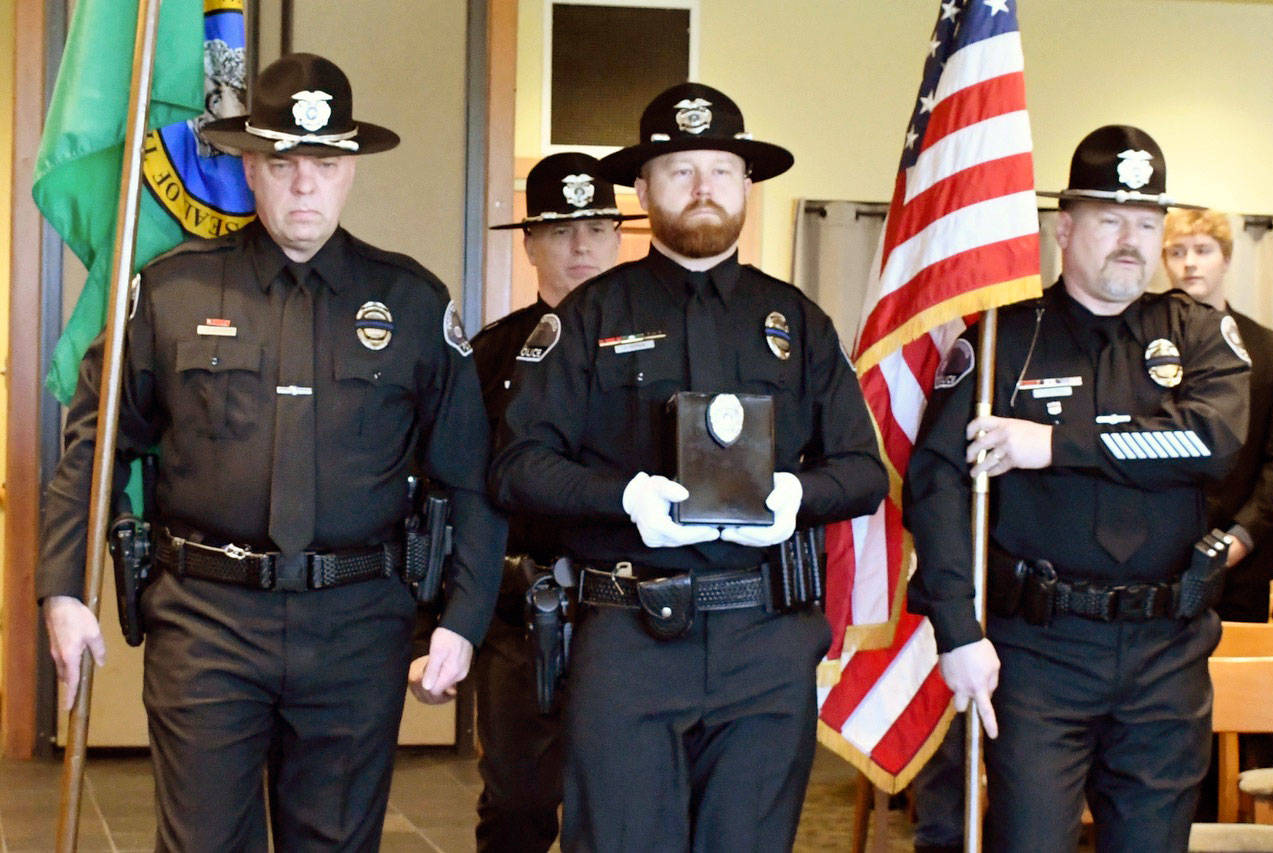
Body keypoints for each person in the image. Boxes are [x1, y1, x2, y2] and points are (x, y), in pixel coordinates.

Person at [38, 53, 503, 850]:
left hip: (357, 624)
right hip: (206, 621)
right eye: (283, 164)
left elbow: (468, 476)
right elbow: (95, 444)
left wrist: (462, 618)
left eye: (324, 163)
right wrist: (62, 588)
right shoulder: (172, 292)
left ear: (350, 169)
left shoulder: (413, 303)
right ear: (250, 168)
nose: (304, 186)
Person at [489, 82, 888, 851]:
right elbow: (517, 467)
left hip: (765, 638)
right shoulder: (587, 319)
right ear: (643, 190)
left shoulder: (798, 322)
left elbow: (863, 472)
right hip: (629, 636)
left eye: (722, 170)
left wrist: (795, 494)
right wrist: (624, 497)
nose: (704, 187)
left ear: (747, 184)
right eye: (680, 170)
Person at [905, 125, 1251, 852]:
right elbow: (935, 488)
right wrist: (957, 628)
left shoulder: (1195, 333)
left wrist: (1053, 445)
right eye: (1110, 220)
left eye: (1146, 224)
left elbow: (1212, 441)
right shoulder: (1002, 337)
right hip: (1038, 651)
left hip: (1166, 648)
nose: (1131, 242)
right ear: (1063, 228)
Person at [468, 152, 641, 852]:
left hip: (633, 613)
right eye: (561, 231)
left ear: (619, 239)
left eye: (597, 228)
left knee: (622, 810)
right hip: (523, 612)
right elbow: (460, 491)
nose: (581, 247)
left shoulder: (658, 345)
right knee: (517, 806)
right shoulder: (491, 355)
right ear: (530, 243)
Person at [1164, 208, 1273, 623]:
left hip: (1242, 560)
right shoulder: (1137, 344)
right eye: (1177, 251)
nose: (1190, 263)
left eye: (1202, 250)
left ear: (1227, 258)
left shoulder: (1268, 349)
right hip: (1152, 559)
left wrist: (1243, 537)